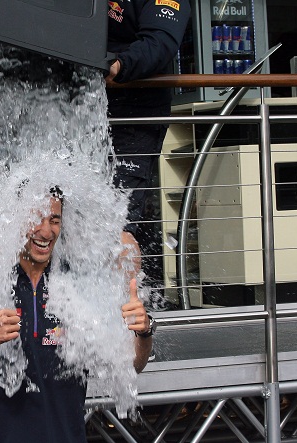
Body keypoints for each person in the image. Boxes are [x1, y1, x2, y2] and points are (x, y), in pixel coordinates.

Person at [0, 189, 154, 443]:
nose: (46, 231)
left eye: (54, 220)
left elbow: (131, 365)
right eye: (36, 218)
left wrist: (144, 331)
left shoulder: (77, 284)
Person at [105, 0, 191, 275]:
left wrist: (119, 65)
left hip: (135, 118)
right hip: (80, 107)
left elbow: (161, 41)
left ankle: (125, 310)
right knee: (68, 215)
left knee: (119, 222)